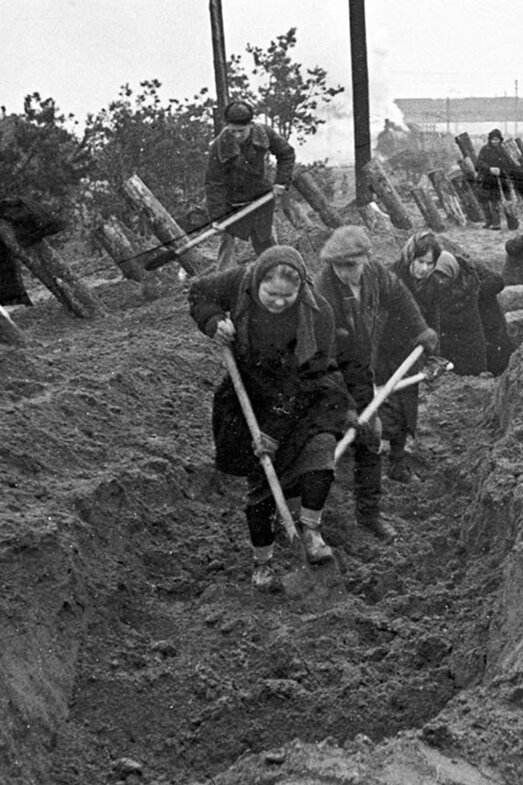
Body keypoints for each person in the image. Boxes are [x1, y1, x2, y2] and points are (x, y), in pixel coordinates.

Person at [188, 245, 354, 590]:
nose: (279, 303)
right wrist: (212, 321)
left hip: (305, 393)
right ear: (258, 281)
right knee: (261, 478)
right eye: (271, 294)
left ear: (300, 290)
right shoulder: (238, 281)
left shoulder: (318, 313)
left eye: (287, 297)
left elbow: (304, 381)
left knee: (320, 452)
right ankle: (262, 566)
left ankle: (310, 531)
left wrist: (275, 431)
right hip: (251, 391)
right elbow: (199, 292)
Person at [315, 225, 437, 540]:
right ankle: (309, 520)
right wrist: (345, 407)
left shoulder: (375, 276)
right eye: (338, 266)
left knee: (370, 436)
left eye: (351, 266)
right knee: (319, 445)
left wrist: (420, 328)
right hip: (325, 377)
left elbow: (399, 295)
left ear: (366, 260)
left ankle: (368, 516)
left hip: (360, 370)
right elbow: (322, 361)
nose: (344, 273)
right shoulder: (323, 294)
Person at [397, 231, 514, 377]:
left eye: (442, 277)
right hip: (454, 346)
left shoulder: (470, 277)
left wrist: (474, 294)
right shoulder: (432, 288)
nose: (439, 282)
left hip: (487, 332)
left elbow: (498, 281)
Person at [204, 100, 296, 270]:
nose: (237, 136)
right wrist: (218, 218)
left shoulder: (264, 133)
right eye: (233, 131)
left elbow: (287, 153)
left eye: (241, 131)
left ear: (251, 125)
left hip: (260, 198)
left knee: (266, 240)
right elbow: (214, 183)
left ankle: (276, 271)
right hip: (231, 203)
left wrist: (281, 182)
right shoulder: (219, 145)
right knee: (226, 244)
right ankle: (224, 280)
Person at [473, 129, 521, 230]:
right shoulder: (485, 149)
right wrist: (489, 169)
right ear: (489, 140)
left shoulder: (503, 151)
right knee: (490, 202)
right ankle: (493, 223)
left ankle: (512, 223)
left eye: (497, 139)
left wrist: (502, 170)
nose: (495, 141)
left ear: (500, 140)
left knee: (507, 202)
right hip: (487, 180)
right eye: (493, 139)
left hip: (501, 180)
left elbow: (509, 164)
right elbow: (478, 164)